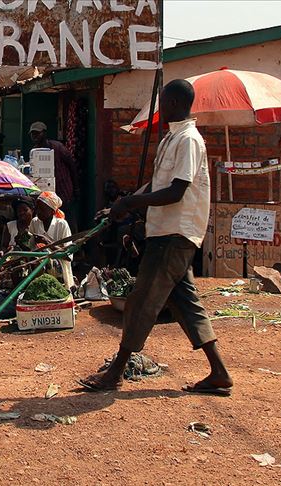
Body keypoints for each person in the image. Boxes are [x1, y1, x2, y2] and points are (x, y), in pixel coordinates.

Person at [79, 79, 232, 397]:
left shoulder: (189, 140)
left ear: (175, 103)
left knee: (141, 300)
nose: (161, 109)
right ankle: (219, 372)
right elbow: (154, 184)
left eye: (164, 103)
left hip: (175, 233)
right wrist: (120, 205)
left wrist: (132, 203)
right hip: (165, 231)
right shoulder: (171, 140)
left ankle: (115, 372)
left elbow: (177, 190)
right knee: (185, 303)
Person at [29, 121, 78, 228]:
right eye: (33, 134)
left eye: (38, 133)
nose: (35, 136)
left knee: (68, 220)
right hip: (48, 193)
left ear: (44, 133)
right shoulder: (34, 151)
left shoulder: (58, 147)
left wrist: (75, 187)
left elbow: (72, 165)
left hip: (64, 191)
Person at [29, 192, 75, 290]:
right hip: (39, 267)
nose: (38, 211)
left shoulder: (62, 224)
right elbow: (30, 248)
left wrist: (48, 243)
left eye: (42, 209)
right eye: (37, 208)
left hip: (59, 268)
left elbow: (68, 255)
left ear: (52, 211)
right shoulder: (35, 222)